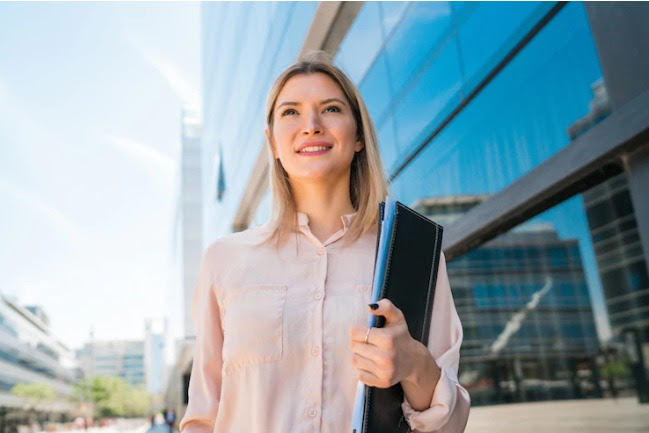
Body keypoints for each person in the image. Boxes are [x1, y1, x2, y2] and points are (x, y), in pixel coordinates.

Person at [179, 52, 470, 433]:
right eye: (290, 112)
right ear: (273, 143)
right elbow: (203, 417)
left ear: (359, 136)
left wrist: (413, 364)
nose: (311, 125)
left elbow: (452, 425)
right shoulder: (225, 260)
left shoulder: (412, 257)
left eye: (330, 109)